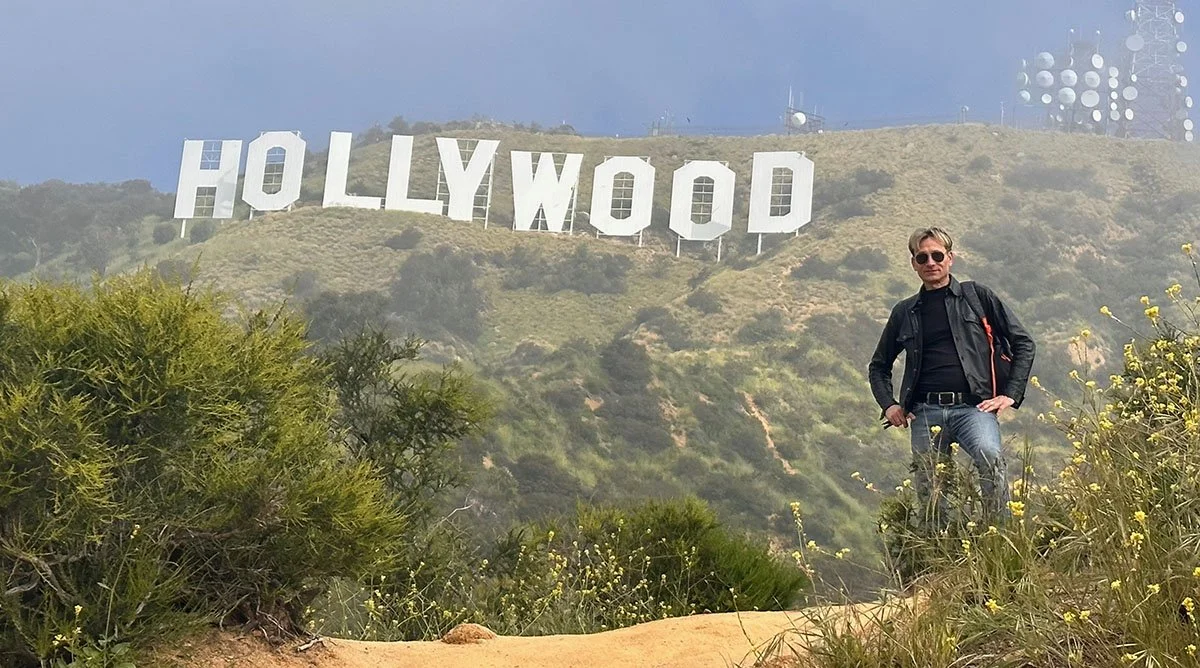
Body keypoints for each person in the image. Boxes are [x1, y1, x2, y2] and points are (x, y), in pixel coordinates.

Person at [868, 227, 1036, 526]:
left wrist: (1011, 393)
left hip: (974, 408)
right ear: (914, 264)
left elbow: (1023, 342)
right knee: (931, 490)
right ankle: (939, 557)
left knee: (990, 458)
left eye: (937, 255)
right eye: (922, 257)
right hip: (924, 411)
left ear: (950, 258)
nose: (931, 262)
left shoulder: (977, 296)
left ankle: (999, 539)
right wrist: (889, 405)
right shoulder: (905, 311)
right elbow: (879, 365)